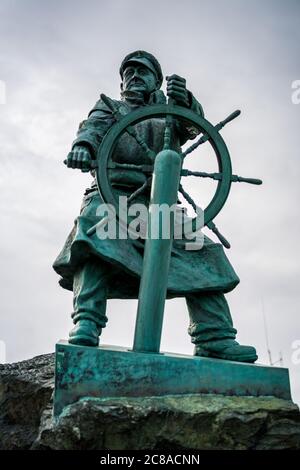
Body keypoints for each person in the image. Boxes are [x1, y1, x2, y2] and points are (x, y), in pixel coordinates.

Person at [53, 50, 257, 363]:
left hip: (160, 207)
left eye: (142, 72)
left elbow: (193, 127)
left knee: (202, 252)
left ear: (156, 81)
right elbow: (92, 130)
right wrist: (82, 147)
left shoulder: (170, 111)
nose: (133, 77)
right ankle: (87, 323)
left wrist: (186, 100)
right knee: (93, 235)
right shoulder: (111, 107)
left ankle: (214, 337)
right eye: (128, 73)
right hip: (112, 197)